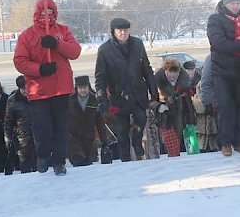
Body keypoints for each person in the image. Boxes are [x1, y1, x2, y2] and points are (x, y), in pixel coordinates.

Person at [13, 0, 81, 175]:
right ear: (37, 14)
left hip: (61, 88)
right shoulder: (27, 35)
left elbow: (75, 52)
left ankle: (59, 161)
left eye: (50, 13)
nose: (47, 16)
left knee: (61, 127)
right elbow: (20, 61)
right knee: (41, 127)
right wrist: (40, 69)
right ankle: (42, 156)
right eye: (43, 13)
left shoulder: (63, 31)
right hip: (39, 90)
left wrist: (57, 44)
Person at [95, 18, 159, 162]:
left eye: (126, 30)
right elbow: (100, 77)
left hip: (138, 92)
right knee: (122, 131)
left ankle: (137, 143)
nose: (123, 33)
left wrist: (153, 89)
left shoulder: (137, 44)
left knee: (141, 119)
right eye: (120, 31)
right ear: (114, 32)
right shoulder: (105, 50)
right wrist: (101, 98)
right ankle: (125, 159)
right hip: (118, 96)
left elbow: (146, 69)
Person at [207, 0, 240, 156]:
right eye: (232, 3)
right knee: (226, 107)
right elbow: (219, 43)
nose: (235, 6)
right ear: (225, 3)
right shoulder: (215, 19)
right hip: (222, 72)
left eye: (238, 3)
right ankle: (225, 143)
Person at [68, 75, 114, 167]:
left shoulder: (94, 100)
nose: (83, 90)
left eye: (84, 87)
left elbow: (100, 123)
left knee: (88, 164)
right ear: (76, 89)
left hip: (88, 138)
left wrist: (105, 143)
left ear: (88, 87)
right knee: (78, 160)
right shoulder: (69, 101)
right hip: (73, 138)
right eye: (80, 88)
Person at [154, 59, 195, 157]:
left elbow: (189, 103)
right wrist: (158, 106)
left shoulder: (184, 82)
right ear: (165, 71)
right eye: (170, 72)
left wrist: (192, 120)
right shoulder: (157, 81)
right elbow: (150, 99)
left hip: (182, 116)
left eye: (175, 72)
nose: (173, 75)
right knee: (171, 146)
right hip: (165, 119)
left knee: (185, 147)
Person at [4, 75, 36, 174]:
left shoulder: (37, 96)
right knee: (24, 164)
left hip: (38, 134)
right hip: (22, 137)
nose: (26, 91)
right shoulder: (12, 100)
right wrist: (7, 138)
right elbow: (8, 121)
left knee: (39, 163)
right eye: (23, 89)